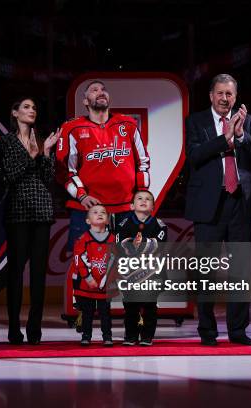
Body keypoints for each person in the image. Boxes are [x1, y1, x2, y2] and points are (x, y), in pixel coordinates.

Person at [185, 74, 251, 346]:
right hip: (208, 204)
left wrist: (242, 134)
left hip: (239, 202)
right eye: (219, 93)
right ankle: (207, 332)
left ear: (235, 96)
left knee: (240, 270)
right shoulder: (196, 121)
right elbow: (194, 156)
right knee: (206, 271)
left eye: (229, 94)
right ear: (211, 95)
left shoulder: (248, 121)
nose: (224, 98)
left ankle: (238, 331)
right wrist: (225, 137)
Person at [56, 80, 150, 252]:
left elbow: (142, 163)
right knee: (87, 266)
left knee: (127, 266)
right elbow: (66, 171)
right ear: (85, 101)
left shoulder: (128, 124)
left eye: (103, 89)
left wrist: (141, 195)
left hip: (125, 208)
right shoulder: (72, 128)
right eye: (94, 90)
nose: (100, 92)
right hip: (89, 209)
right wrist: (82, 196)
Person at [0, 97, 59, 345]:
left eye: (34, 107)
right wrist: (30, 156)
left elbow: (48, 178)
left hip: (42, 210)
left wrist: (45, 153)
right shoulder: (6, 141)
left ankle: (35, 329)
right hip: (18, 211)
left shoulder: (42, 140)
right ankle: (14, 328)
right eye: (26, 107)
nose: (31, 110)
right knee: (15, 272)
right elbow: (9, 176)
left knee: (38, 274)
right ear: (14, 113)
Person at [115, 191, 167, 346]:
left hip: (152, 273)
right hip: (130, 274)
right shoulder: (123, 224)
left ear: (153, 206)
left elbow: (160, 245)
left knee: (150, 306)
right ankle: (130, 335)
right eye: (139, 198)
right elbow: (119, 245)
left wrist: (142, 242)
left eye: (148, 199)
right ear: (132, 205)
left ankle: (147, 336)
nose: (144, 201)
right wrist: (132, 244)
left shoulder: (160, 225)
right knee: (130, 306)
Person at [70, 204, 115, 347]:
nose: (100, 214)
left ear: (108, 220)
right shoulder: (83, 238)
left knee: (105, 313)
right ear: (88, 221)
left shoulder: (113, 238)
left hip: (104, 285)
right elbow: (79, 259)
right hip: (87, 284)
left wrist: (104, 281)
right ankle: (86, 335)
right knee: (87, 312)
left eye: (103, 212)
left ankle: (107, 336)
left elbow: (115, 261)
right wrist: (88, 278)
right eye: (95, 212)